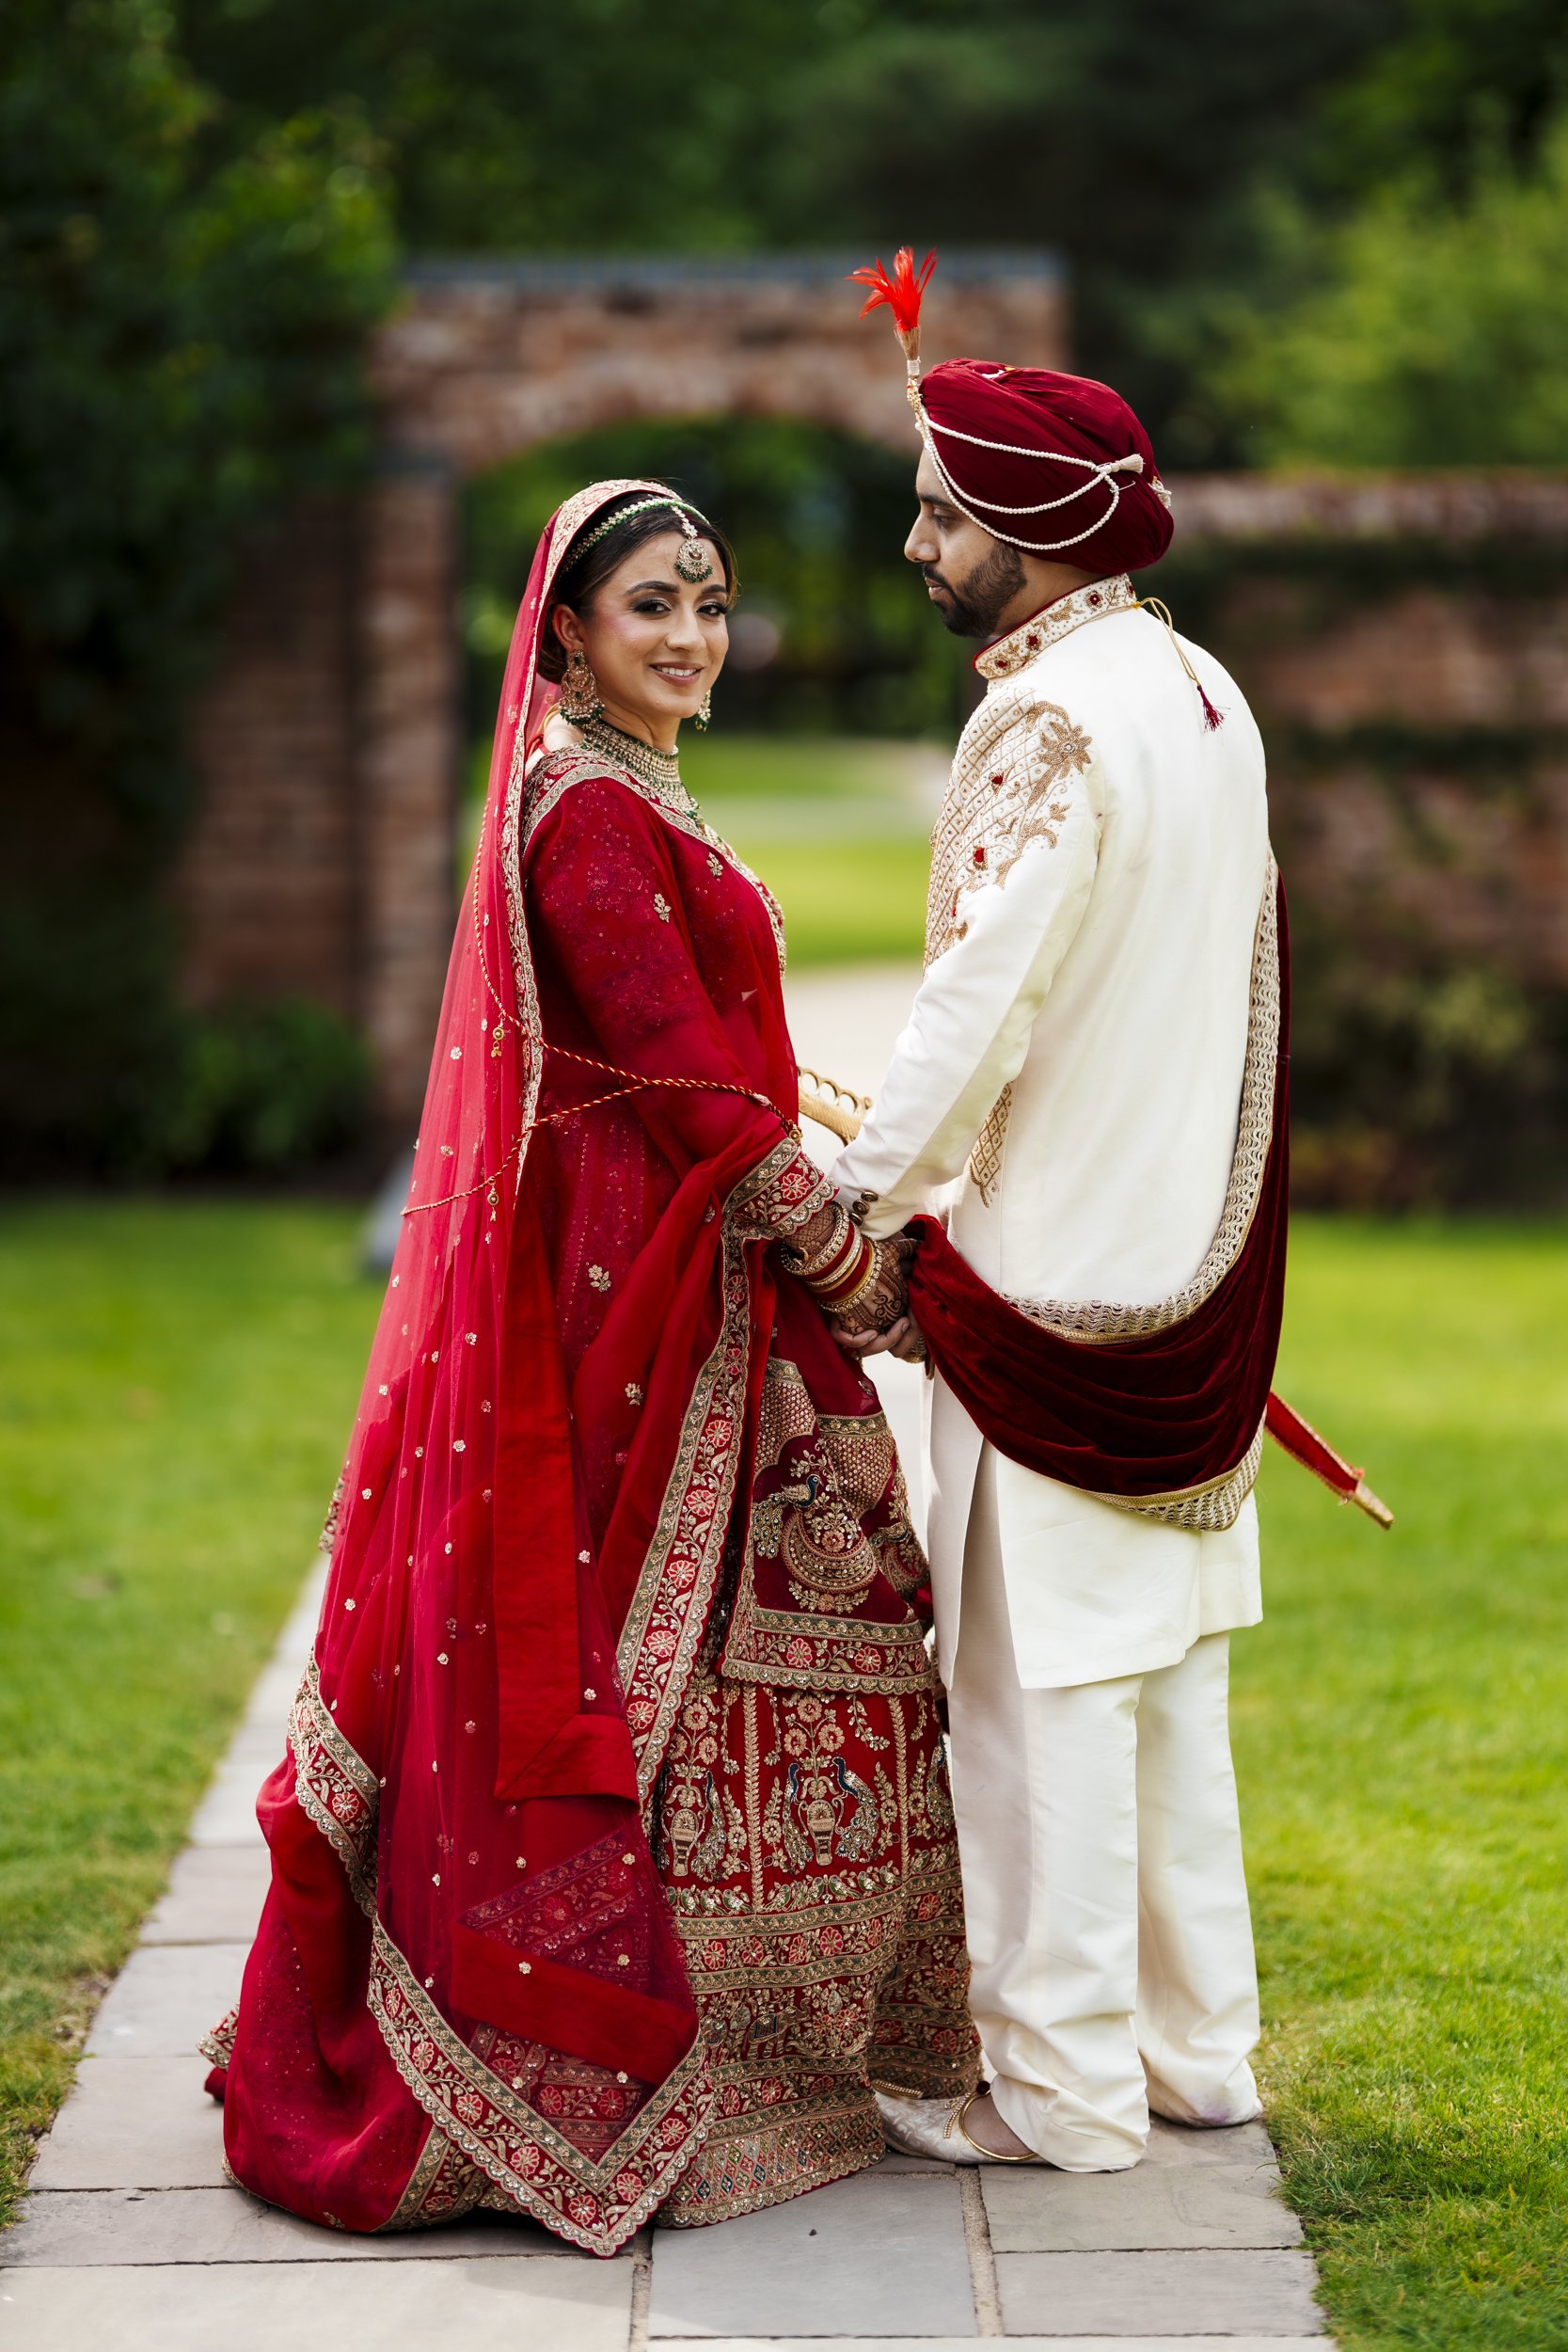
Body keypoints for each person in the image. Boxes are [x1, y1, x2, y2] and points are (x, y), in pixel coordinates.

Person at [202, 478, 978, 2254]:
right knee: (656, 1664)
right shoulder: (584, 814)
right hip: (646, 1302)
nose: (693, 635)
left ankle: (775, 2060)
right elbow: (690, 1080)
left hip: (688, 1270)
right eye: (652, 607)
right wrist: (849, 1257)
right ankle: (612, 2079)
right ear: (563, 632)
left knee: (795, 1625)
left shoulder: (626, 783)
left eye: (709, 600)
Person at [835, 260, 1277, 2171]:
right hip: (1196, 1268)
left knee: (1040, 1706)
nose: (915, 539)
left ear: (1025, 535)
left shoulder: (1050, 726)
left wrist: (854, 1200)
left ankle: (1066, 2094)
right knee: (1170, 1689)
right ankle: (1202, 2054)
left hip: (1058, 1286)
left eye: (942, 512)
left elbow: (978, 1006)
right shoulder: (1200, 688)